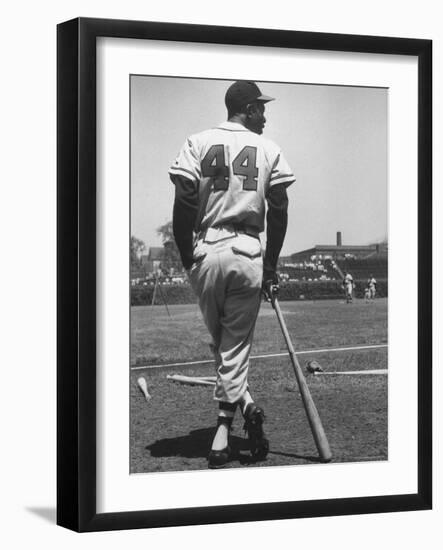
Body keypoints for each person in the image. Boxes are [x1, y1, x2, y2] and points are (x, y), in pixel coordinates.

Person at [169, 80, 295, 468]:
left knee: (223, 345)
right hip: (247, 252)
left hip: (206, 249)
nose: (265, 115)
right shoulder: (269, 149)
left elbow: (186, 199)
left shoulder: (197, 140)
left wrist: (188, 254)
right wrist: (271, 267)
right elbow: (279, 209)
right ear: (246, 109)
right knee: (232, 347)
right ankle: (225, 430)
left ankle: (247, 407)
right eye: (260, 108)